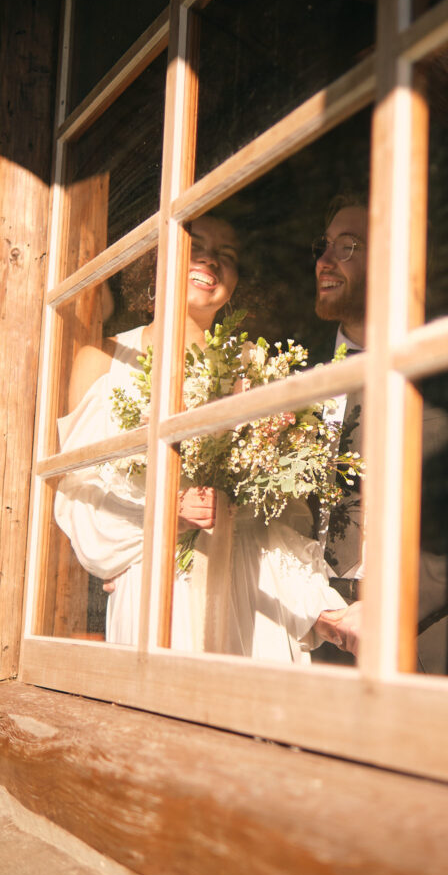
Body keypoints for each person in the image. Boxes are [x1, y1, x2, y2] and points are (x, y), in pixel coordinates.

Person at [54, 214, 359, 660]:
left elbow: (284, 516)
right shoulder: (102, 359)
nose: (210, 261)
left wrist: (321, 609)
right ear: (157, 260)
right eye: (195, 245)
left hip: (254, 598)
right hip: (157, 595)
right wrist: (165, 516)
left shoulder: (256, 366)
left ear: (237, 283)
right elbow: (79, 500)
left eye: (227, 256)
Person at [312, 197, 448, 679]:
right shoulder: (299, 374)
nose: (326, 260)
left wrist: (391, 606)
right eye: (324, 246)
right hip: (328, 641)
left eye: (349, 247)